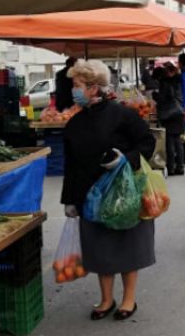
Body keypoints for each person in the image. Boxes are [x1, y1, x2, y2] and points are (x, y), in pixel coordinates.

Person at [61, 59, 156, 320]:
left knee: (127, 246)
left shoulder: (123, 115)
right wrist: (69, 200)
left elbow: (147, 142)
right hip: (88, 195)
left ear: (93, 88)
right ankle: (105, 300)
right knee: (99, 248)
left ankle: (128, 300)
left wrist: (126, 158)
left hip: (123, 194)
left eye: (77, 85)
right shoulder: (74, 124)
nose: (74, 90)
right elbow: (70, 164)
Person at [152, 67, 185, 176]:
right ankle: (180, 167)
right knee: (177, 141)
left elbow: (164, 98)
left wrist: (155, 95)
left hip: (169, 116)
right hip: (178, 114)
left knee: (169, 142)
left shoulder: (164, 83)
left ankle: (171, 167)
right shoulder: (176, 81)